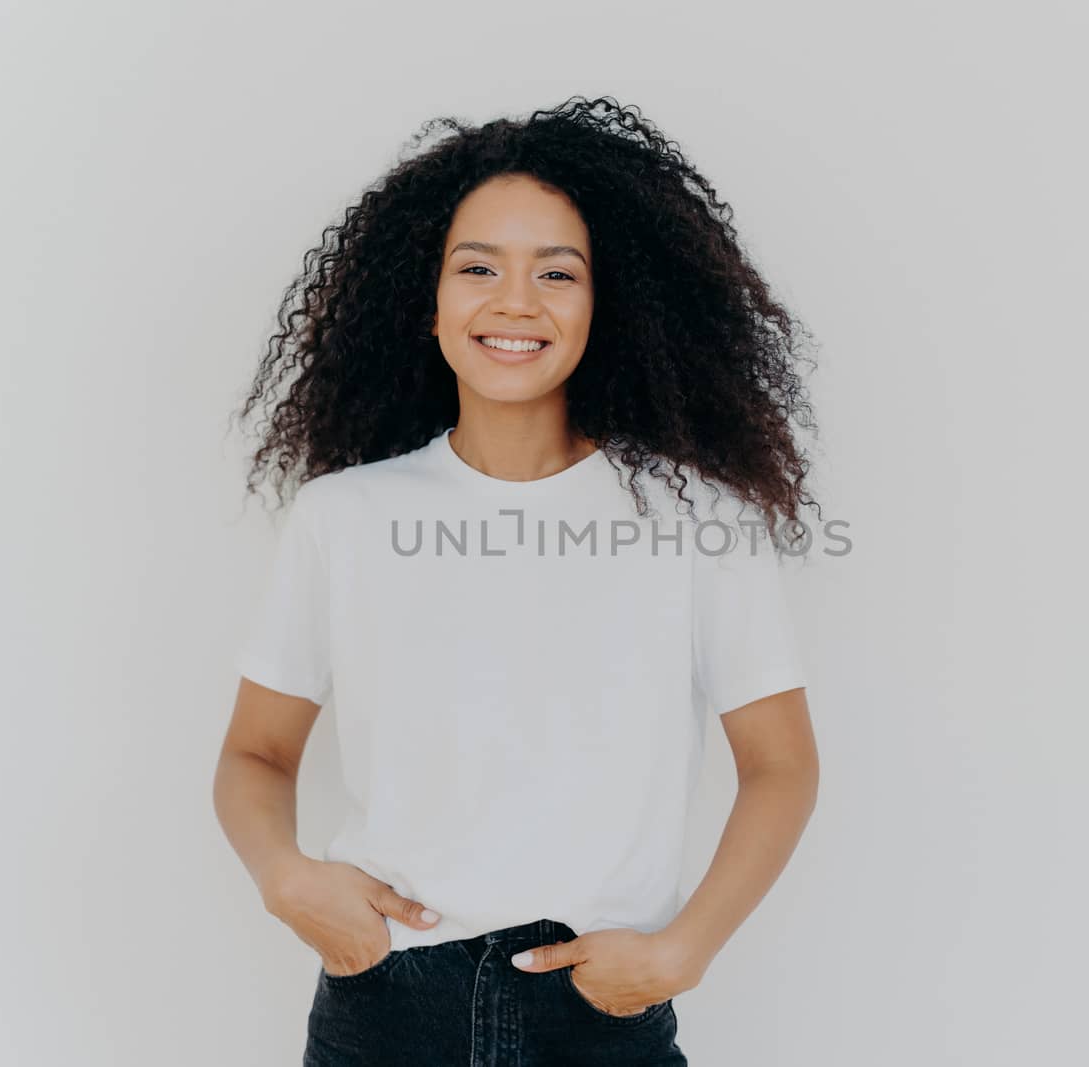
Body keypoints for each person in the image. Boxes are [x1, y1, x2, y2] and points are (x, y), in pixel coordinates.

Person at [213, 94, 823, 1066]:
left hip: (601, 1017)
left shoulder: (698, 520)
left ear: (606, 301)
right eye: (478, 267)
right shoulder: (344, 514)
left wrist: (684, 949)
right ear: (431, 298)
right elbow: (255, 753)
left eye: (557, 272)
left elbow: (781, 764)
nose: (514, 300)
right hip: (387, 1010)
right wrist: (285, 877)